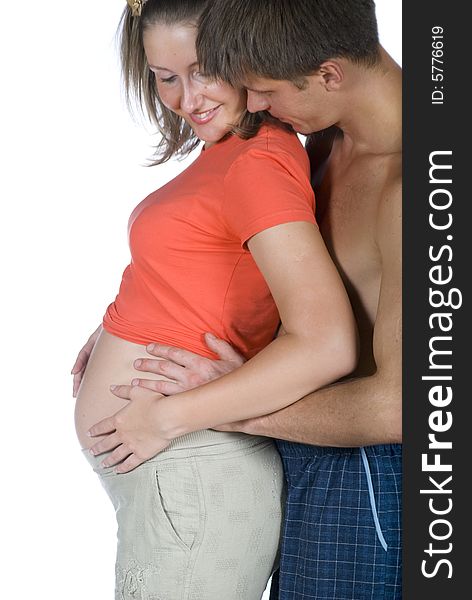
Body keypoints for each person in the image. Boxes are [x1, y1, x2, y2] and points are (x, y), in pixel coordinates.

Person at [98, 1, 402, 598]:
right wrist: (131, 324)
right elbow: (262, 283)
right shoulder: (322, 145)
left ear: (330, 73)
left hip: (368, 475)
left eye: (261, 87)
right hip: (309, 453)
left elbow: (401, 408)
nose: (254, 104)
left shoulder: (421, 183)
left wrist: (214, 409)